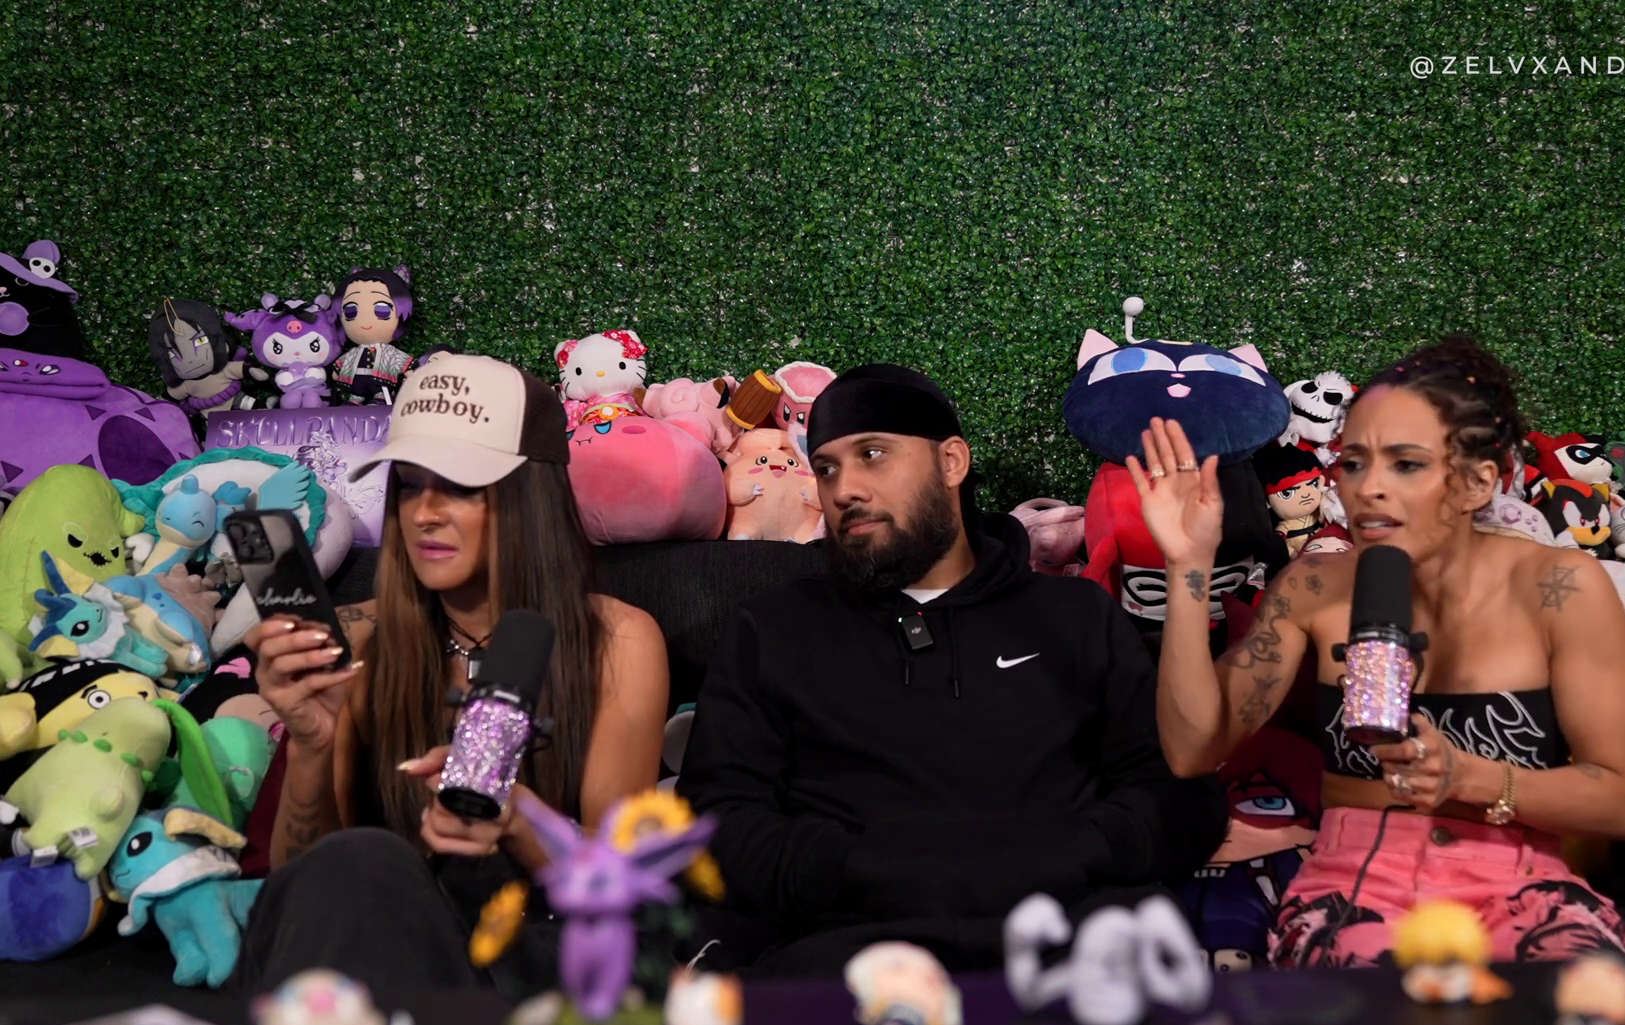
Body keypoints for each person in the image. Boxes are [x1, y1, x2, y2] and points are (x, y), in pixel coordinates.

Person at [678, 363, 1226, 975]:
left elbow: (1179, 797)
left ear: (951, 462)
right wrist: (862, 868)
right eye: (826, 468)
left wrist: (1066, 854)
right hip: (850, 959)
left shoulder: (1076, 615)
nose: (844, 488)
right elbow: (717, 824)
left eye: (873, 455)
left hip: (1072, 952)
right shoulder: (773, 629)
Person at [1138, 334, 1625, 968]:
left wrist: (1471, 778)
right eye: (1353, 463)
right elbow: (1192, 750)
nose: (1368, 488)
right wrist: (1187, 565)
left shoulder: (1561, 587)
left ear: (1477, 481)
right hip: (1354, 885)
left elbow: (1622, 802)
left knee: (1588, 1000)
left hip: (1523, 885)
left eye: (1405, 464)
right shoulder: (1314, 586)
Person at [239, 353, 670, 992]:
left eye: (462, 486)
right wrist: (312, 745)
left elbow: (620, 888)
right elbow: (306, 887)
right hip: (377, 952)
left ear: (531, 497)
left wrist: (518, 820)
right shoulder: (359, 636)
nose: (424, 513)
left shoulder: (615, 640)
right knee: (360, 859)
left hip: (530, 952)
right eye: (410, 485)